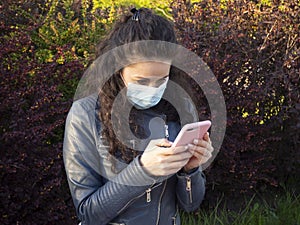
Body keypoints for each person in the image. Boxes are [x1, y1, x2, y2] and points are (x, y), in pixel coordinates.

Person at [63, 7, 214, 225]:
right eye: (141, 81)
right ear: (118, 70)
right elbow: (88, 213)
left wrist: (191, 169)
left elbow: (190, 205)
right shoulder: (85, 116)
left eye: (162, 79)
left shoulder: (179, 109)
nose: (153, 89)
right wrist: (142, 170)